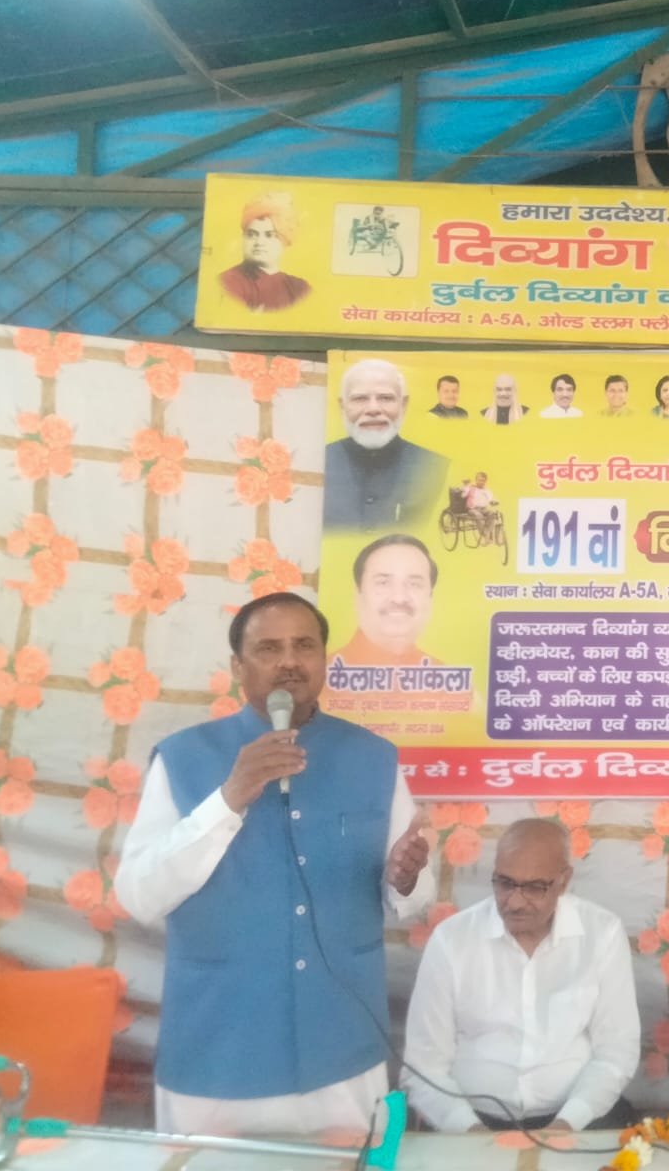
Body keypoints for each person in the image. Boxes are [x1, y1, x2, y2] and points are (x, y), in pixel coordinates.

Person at [113, 592, 434, 1136]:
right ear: (238, 666)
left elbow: (413, 895)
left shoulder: (375, 758)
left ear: (324, 660)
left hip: (342, 1049)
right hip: (217, 1050)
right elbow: (138, 895)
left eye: (304, 646)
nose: (289, 661)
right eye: (268, 648)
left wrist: (406, 879)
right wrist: (229, 798)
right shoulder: (183, 757)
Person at [402, 820, 639, 1133]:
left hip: (577, 1118)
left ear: (564, 881)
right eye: (504, 884)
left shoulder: (602, 934)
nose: (514, 902)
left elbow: (616, 1053)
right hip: (470, 1121)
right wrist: (470, 1134)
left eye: (534, 888)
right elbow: (423, 1066)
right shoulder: (452, 940)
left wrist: (567, 1125)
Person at [323, 358, 449, 532]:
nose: (373, 409)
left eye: (386, 398)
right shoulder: (317, 462)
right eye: (360, 398)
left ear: (403, 405)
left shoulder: (436, 467)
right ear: (342, 406)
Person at [330, 534, 439, 668]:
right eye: (383, 583)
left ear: (430, 597)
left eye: (414, 584)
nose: (399, 598)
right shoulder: (325, 673)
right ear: (358, 594)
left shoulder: (444, 676)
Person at [219, 192, 311, 312]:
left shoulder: (299, 288)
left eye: (269, 235)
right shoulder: (228, 282)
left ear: (284, 239)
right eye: (252, 234)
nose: (259, 242)